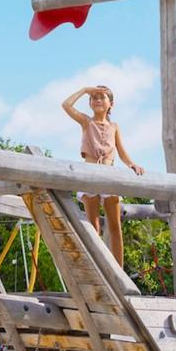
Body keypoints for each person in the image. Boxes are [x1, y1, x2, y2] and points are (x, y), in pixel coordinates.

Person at [62, 85, 144, 266]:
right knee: (93, 226)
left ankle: (118, 271)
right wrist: (84, 90)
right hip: (90, 174)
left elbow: (121, 152)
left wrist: (131, 164)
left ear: (111, 104)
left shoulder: (114, 127)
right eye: (94, 97)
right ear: (90, 103)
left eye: (102, 97)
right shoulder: (86, 122)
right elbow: (66, 105)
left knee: (114, 226)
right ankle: (97, 266)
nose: (98, 100)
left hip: (109, 175)